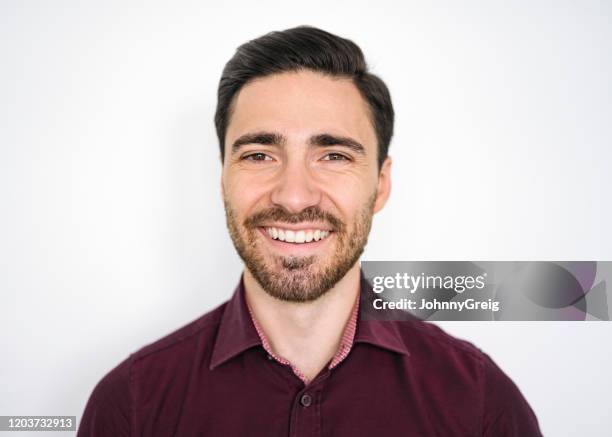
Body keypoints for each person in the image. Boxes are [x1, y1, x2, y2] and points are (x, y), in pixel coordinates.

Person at [77, 25, 543, 436]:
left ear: (380, 186)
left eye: (334, 155)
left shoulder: (482, 405)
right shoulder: (130, 407)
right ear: (224, 180)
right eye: (259, 155)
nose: (294, 196)